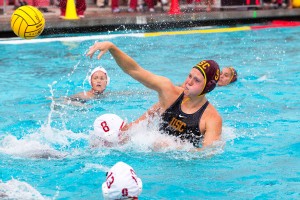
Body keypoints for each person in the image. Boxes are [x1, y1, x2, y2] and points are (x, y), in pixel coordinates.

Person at [86, 41, 222, 150]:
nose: (188, 82)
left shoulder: (211, 119)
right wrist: (112, 47)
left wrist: (174, 147)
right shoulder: (170, 92)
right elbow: (135, 70)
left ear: (207, 87)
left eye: (197, 80)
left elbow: (207, 154)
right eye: (189, 76)